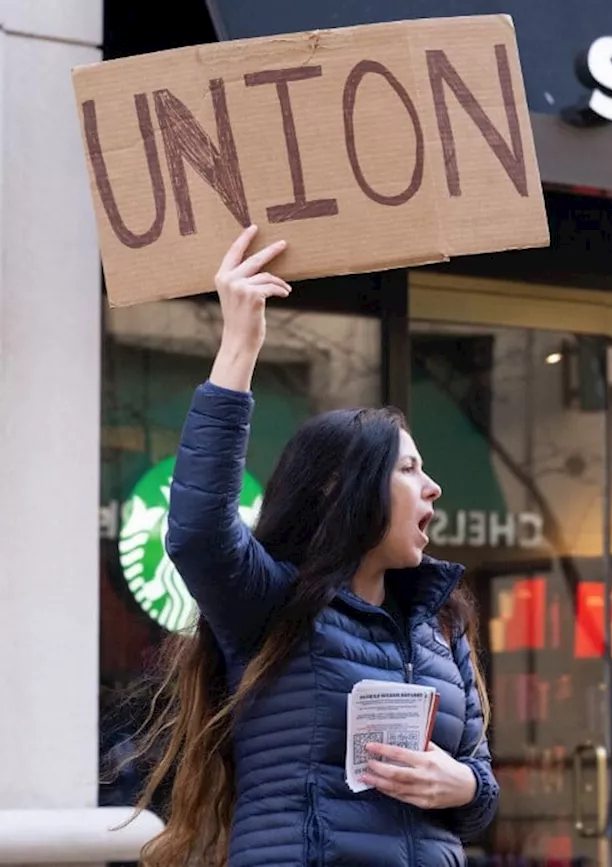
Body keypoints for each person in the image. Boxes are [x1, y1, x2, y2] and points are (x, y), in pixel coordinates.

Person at [126, 226, 497, 867]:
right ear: (337, 490)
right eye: (408, 470)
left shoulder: (443, 624)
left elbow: (481, 790)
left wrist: (461, 784)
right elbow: (196, 528)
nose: (433, 488)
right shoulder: (271, 605)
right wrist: (239, 344)